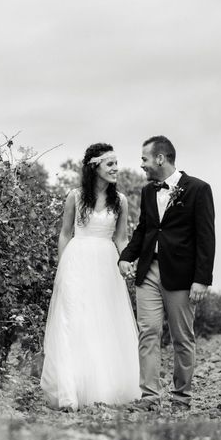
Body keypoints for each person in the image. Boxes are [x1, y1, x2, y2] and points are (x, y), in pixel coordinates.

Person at [40, 143, 140, 411]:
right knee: (74, 321)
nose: (116, 168)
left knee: (103, 321)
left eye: (117, 162)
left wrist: (126, 260)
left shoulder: (121, 201)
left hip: (106, 263)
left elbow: (121, 237)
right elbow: (65, 233)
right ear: (94, 167)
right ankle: (71, 391)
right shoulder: (75, 196)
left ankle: (102, 388)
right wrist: (63, 266)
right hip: (77, 261)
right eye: (110, 163)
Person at [119, 135, 215, 412]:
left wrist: (201, 278)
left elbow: (206, 237)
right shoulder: (148, 191)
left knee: (181, 337)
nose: (142, 165)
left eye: (144, 159)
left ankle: (181, 397)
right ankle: (149, 396)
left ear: (160, 158)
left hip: (182, 275)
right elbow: (145, 229)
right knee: (147, 331)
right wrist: (126, 257)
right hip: (149, 270)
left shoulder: (198, 189)